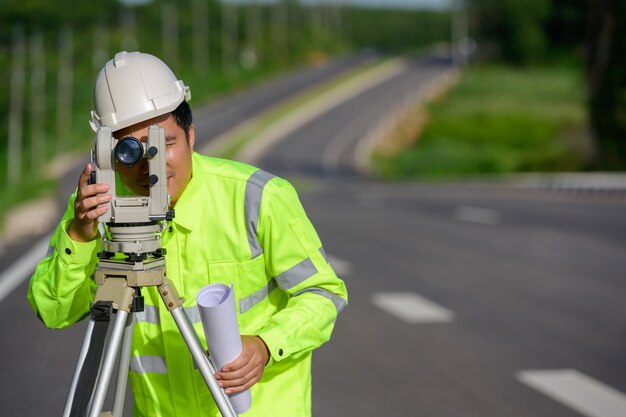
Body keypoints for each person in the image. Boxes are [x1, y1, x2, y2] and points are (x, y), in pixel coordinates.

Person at [27, 51, 348, 417]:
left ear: (191, 135)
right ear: (107, 152)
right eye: (131, 150)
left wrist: (265, 344)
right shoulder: (94, 212)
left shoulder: (256, 197)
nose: (150, 164)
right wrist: (81, 235)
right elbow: (52, 311)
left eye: (164, 143)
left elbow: (323, 292)